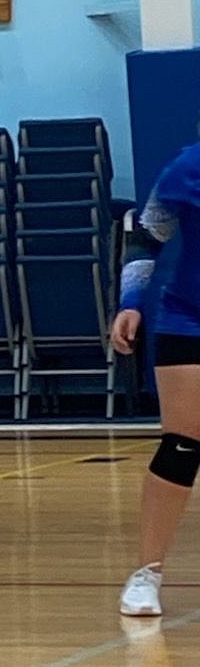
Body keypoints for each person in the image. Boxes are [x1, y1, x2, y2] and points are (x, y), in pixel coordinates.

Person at [113, 140, 200, 617]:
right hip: (190, 320)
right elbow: (147, 233)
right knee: (183, 444)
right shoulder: (188, 165)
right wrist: (131, 301)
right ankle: (146, 573)